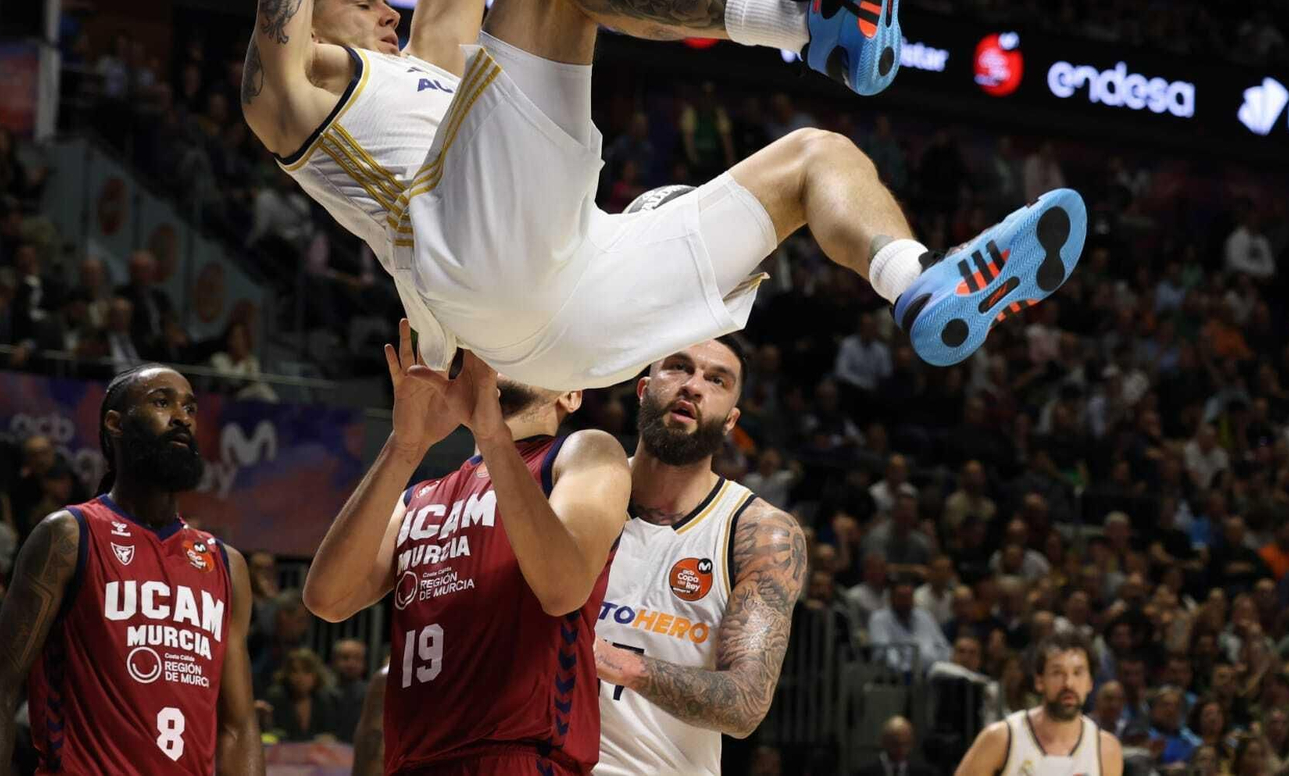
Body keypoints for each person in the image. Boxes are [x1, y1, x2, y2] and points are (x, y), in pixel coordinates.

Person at [238, 0, 1088, 391]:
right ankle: (805, 19)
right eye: (359, 0)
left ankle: (916, 283)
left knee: (817, 158)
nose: (386, 11)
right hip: (479, 273)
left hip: (579, 293)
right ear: (308, 15)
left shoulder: (427, 67)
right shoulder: (297, 99)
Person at [303, 320, 630, 775]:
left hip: (516, 756)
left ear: (571, 394)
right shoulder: (420, 495)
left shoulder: (585, 453)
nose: (512, 351)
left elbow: (563, 588)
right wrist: (405, 447)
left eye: (532, 347)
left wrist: (493, 435)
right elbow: (327, 598)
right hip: (414, 762)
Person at [0, 364, 262, 776]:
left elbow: (238, 726)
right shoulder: (69, 536)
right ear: (115, 424)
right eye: (162, 402)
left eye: (190, 408)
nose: (181, 417)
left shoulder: (225, 563)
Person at [591, 336, 805, 776]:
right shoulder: (575, 489)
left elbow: (746, 703)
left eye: (716, 380)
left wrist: (619, 663)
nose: (693, 386)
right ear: (643, 387)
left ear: (731, 420)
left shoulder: (759, 532)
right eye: (678, 367)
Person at [953, 631, 1122, 776]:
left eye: (1078, 673)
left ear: (1090, 682)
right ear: (1039, 681)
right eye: (1057, 673)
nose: (1068, 683)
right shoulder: (1001, 738)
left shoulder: (1106, 749)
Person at [855, 716, 938, 776]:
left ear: (912, 743)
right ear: (884, 742)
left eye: (905, 743)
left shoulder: (924, 773)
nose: (901, 749)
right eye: (895, 743)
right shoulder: (865, 773)